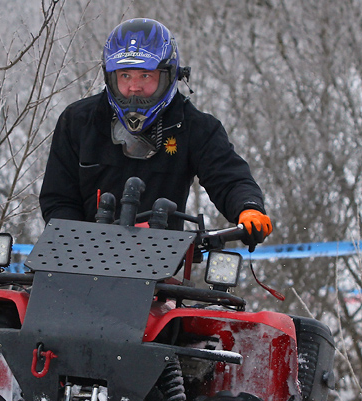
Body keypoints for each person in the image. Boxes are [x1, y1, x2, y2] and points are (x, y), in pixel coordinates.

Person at [39, 18, 273, 245]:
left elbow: (228, 177)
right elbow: (58, 198)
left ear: (168, 75)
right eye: (125, 76)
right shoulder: (78, 121)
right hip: (84, 256)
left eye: (146, 75)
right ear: (110, 77)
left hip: (163, 258)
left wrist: (248, 208)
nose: (134, 87)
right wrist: (79, 243)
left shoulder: (196, 126)